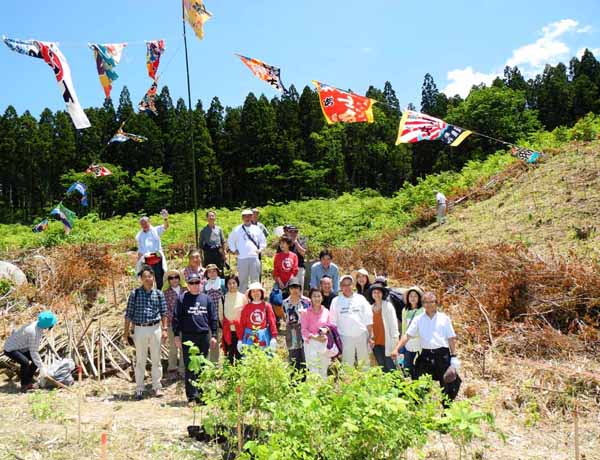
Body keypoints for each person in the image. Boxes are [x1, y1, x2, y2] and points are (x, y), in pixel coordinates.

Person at [391, 292, 461, 401]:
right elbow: (407, 335)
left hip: (442, 354)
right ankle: (420, 406)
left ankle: (446, 410)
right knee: (419, 380)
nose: (428, 304)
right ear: (422, 304)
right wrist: (396, 349)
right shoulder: (419, 319)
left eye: (431, 302)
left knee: (448, 383)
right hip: (426, 355)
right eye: (425, 302)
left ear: (436, 303)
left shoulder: (444, 318)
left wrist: (454, 356)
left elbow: (451, 338)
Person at [172, 272, 218, 404]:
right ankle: (192, 396)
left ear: (200, 283)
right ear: (187, 284)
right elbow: (176, 318)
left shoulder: (206, 299)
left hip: (203, 335)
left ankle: (202, 395)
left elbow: (213, 318)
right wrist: (176, 336)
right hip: (188, 336)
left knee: (203, 365)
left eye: (197, 282)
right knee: (190, 366)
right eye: (191, 283)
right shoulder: (182, 299)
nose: (194, 285)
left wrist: (214, 335)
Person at [124, 265, 168, 400]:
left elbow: (164, 312)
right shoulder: (135, 294)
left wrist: (165, 329)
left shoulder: (159, 294)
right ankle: (139, 388)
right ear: (141, 279)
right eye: (145, 277)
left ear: (153, 277)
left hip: (155, 328)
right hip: (140, 328)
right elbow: (128, 314)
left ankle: (157, 387)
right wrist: (126, 333)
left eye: (150, 276)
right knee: (140, 360)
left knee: (156, 359)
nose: (148, 279)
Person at [3, 311, 57, 392]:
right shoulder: (34, 332)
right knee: (25, 362)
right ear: (47, 325)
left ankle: (28, 381)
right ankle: (24, 385)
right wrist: (42, 368)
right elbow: (34, 352)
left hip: (21, 346)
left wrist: (40, 365)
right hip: (10, 348)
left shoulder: (37, 325)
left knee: (36, 362)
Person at [330, 275, 373, 371]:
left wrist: (371, 336)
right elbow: (333, 323)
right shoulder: (336, 301)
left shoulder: (360, 298)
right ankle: (347, 385)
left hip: (362, 335)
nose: (347, 287)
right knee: (347, 365)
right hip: (345, 337)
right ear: (341, 287)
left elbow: (368, 318)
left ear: (353, 285)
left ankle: (366, 384)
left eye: (349, 284)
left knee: (364, 363)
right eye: (344, 285)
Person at [227, 210, 267, 292]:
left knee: (255, 281)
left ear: (252, 217)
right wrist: (234, 250)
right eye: (245, 216)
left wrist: (260, 250)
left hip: (254, 258)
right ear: (242, 218)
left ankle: (255, 299)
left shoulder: (257, 229)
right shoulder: (237, 229)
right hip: (242, 258)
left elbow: (263, 241)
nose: (247, 218)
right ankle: (242, 299)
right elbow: (230, 240)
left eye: (249, 216)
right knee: (242, 281)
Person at [368, 283, 399, 373]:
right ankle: (387, 386)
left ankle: (397, 386)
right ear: (371, 294)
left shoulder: (388, 306)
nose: (376, 294)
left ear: (382, 294)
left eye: (379, 292)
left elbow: (394, 325)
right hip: (375, 342)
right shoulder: (370, 308)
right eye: (374, 292)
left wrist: (395, 341)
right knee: (382, 365)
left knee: (391, 366)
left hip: (387, 341)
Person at [301, 289, 332, 378]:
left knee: (323, 370)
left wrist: (325, 331)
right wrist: (315, 337)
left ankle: (323, 391)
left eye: (319, 296)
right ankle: (313, 391)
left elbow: (330, 326)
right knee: (313, 370)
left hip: (323, 343)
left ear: (322, 298)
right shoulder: (305, 312)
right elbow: (304, 330)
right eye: (314, 296)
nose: (317, 298)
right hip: (311, 343)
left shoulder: (326, 311)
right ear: (310, 298)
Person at [238, 282, 278, 352]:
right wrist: (240, 339)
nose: (255, 293)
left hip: (263, 337)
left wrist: (273, 337)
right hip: (249, 338)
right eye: (253, 291)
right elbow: (242, 324)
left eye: (258, 291)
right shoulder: (246, 307)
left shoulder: (267, 306)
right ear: (250, 293)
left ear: (261, 292)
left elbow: (272, 322)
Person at [135, 210, 169, 290]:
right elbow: (140, 250)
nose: (144, 225)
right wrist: (138, 263)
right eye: (142, 224)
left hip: (156, 257)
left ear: (149, 222)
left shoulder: (156, 230)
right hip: (146, 260)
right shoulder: (140, 235)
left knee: (159, 278)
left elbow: (165, 226)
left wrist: (165, 218)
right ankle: (150, 295)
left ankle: (161, 295)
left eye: (145, 223)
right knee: (148, 278)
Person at [282, 278, 310, 371]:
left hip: (305, 331)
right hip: (292, 332)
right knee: (293, 359)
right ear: (289, 289)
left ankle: (306, 380)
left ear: (300, 288)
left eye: (296, 287)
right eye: (292, 287)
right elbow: (285, 317)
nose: (294, 290)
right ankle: (295, 381)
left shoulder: (307, 301)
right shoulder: (285, 303)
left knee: (306, 356)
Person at [163, 270, 185, 379]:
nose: (174, 280)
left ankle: (182, 369)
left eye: (176, 277)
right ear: (168, 280)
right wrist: (166, 327)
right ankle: (172, 368)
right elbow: (166, 311)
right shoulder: (166, 293)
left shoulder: (185, 290)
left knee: (183, 346)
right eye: (171, 278)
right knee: (173, 347)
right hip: (172, 324)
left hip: (185, 323)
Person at [220, 275, 246, 364]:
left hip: (240, 332)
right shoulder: (223, 298)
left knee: (240, 355)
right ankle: (229, 375)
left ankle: (239, 376)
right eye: (229, 283)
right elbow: (220, 316)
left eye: (234, 283)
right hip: (228, 332)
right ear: (226, 285)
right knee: (228, 355)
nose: (232, 285)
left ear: (237, 284)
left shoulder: (243, 297)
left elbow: (246, 314)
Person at [400, 286, 424, 378]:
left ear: (419, 298)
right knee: (406, 364)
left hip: (418, 342)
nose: (413, 298)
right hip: (407, 341)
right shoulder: (405, 310)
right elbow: (403, 327)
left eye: (415, 296)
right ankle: (410, 382)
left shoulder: (422, 311)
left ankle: (417, 382)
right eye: (411, 296)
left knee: (417, 364)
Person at [204, 264, 225, 364]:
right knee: (211, 338)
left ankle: (220, 361)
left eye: (214, 271)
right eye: (209, 272)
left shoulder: (222, 283)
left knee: (221, 337)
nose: (212, 273)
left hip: (221, 315)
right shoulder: (205, 285)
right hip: (209, 316)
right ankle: (211, 361)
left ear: (217, 272)